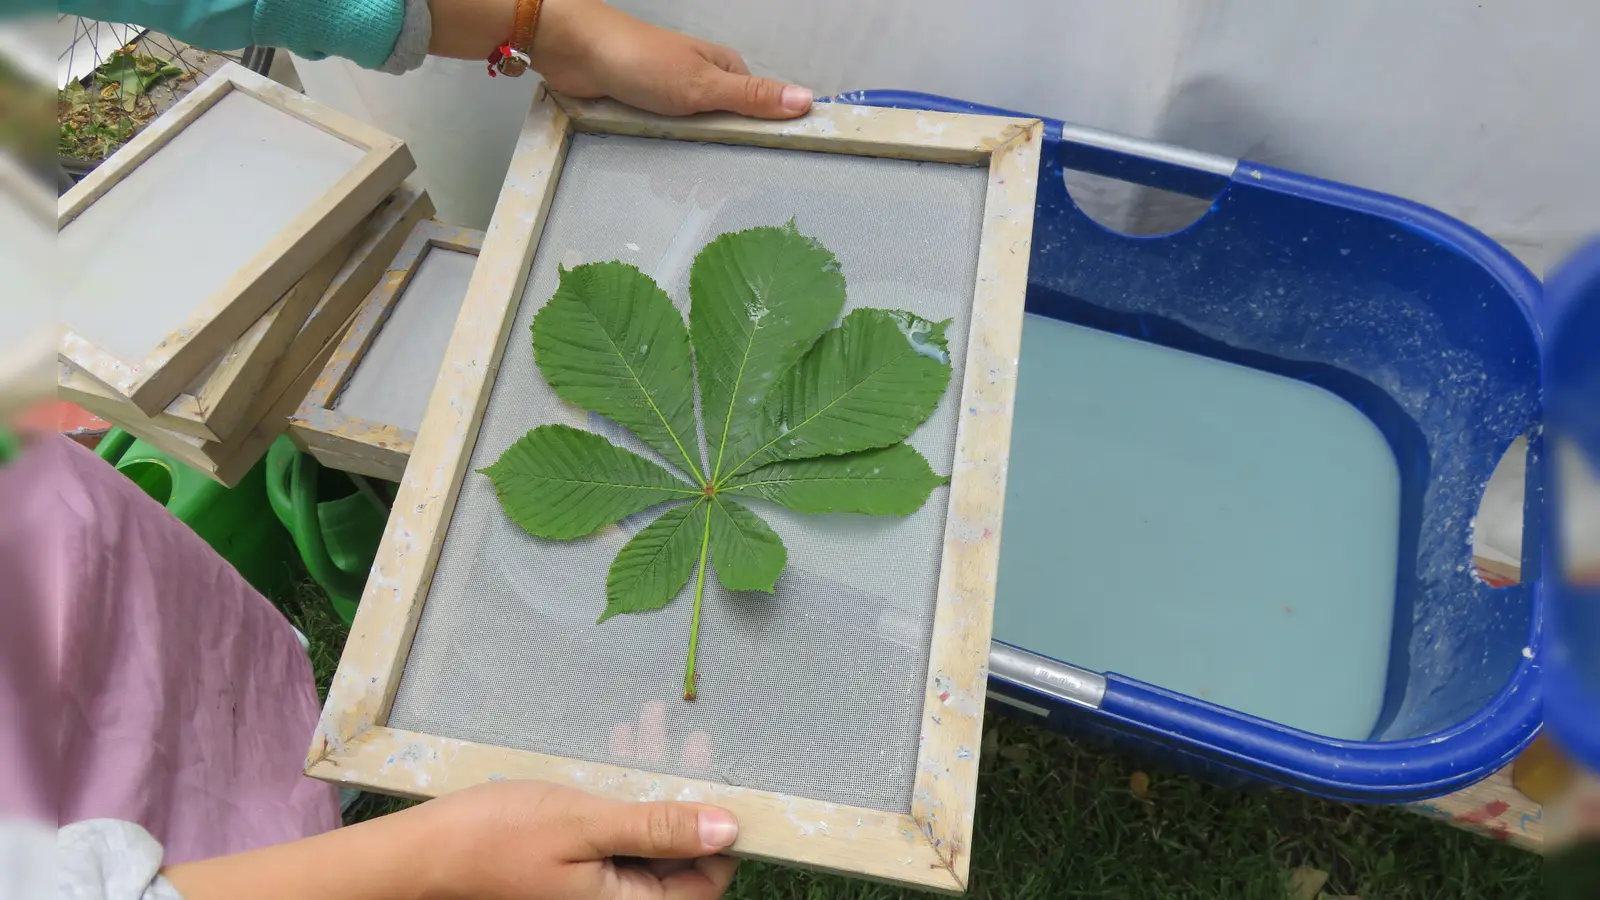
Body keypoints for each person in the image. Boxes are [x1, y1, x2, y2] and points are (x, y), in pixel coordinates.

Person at [40, 1, 799, 897]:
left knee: (209, 702)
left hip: (53, 559)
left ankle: (298, 804)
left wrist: (544, 25)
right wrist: (434, 867)